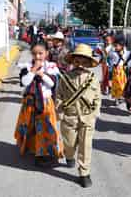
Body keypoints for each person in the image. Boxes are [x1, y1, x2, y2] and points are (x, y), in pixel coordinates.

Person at [56, 44, 101, 188]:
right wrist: (60, 111)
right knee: (69, 144)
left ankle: (84, 173)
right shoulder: (65, 78)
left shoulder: (93, 79)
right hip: (70, 118)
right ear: (72, 62)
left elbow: (97, 98)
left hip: (87, 118)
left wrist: (95, 114)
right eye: (77, 61)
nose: (80, 64)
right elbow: (58, 96)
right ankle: (69, 156)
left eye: (84, 61)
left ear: (88, 63)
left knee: (85, 146)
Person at [14, 42, 63, 167]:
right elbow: (25, 82)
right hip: (30, 103)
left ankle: (45, 153)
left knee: (47, 127)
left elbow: (52, 84)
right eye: (35, 53)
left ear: (46, 53)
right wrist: (33, 70)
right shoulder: (27, 67)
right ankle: (35, 151)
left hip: (45, 102)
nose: (37, 56)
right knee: (32, 127)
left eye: (40, 53)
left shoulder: (51, 67)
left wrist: (42, 74)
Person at [109, 38, 129, 105]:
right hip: (115, 70)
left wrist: (122, 55)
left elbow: (126, 61)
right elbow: (110, 59)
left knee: (122, 84)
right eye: (115, 45)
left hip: (122, 71)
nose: (116, 47)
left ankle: (121, 96)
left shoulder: (126, 52)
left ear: (122, 46)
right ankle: (117, 98)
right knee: (116, 85)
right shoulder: (113, 52)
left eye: (117, 45)